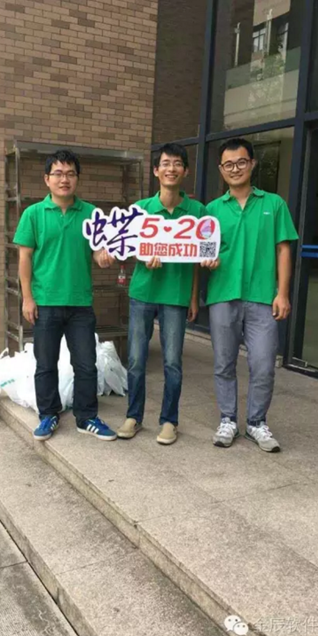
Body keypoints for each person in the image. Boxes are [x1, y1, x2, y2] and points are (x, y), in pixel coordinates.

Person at [13, 148, 117, 442]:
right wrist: (27, 298)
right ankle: (48, 414)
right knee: (45, 364)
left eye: (70, 173)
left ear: (77, 179)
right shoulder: (33, 214)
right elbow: (24, 258)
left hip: (80, 303)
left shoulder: (91, 214)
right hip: (45, 302)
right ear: (46, 179)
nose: (64, 179)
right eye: (58, 173)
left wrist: (103, 258)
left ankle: (87, 417)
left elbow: (97, 251)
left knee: (85, 364)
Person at [202, 138, 298, 452]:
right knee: (223, 363)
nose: (235, 169)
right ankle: (228, 419)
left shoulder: (274, 204)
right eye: (228, 164)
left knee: (264, 364)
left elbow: (283, 249)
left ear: (252, 164)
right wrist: (208, 260)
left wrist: (282, 293)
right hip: (223, 294)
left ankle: (256, 422)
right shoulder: (212, 210)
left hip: (262, 297)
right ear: (221, 169)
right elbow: (204, 252)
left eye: (241, 162)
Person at [117, 143, 206, 445]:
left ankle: (169, 421)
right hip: (143, 293)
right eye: (166, 163)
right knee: (136, 359)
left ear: (186, 171)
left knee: (172, 362)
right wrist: (142, 257)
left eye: (178, 163)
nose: (171, 169)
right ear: (156, 171)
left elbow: (198, 258)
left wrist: (193, 297)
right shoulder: (141, 210)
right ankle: (133, 416)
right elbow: (129, 249)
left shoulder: (197, 212)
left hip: (176, 295)